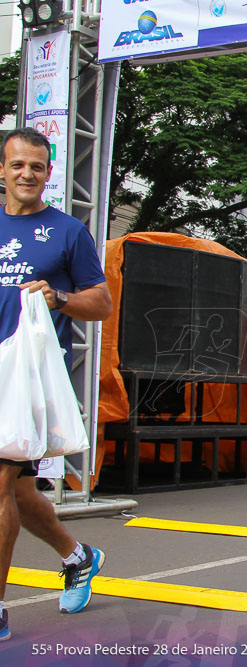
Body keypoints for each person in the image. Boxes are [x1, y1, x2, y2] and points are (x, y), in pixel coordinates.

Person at [0, 128, 114, 638]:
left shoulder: (68, 232)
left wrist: (60, 299)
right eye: (18, 165)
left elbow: (102, 305)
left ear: (49, 174)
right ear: (2, 170)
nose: (27, 174)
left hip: (24, 381)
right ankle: (78, 555)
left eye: (37, 167)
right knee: (20, 494)